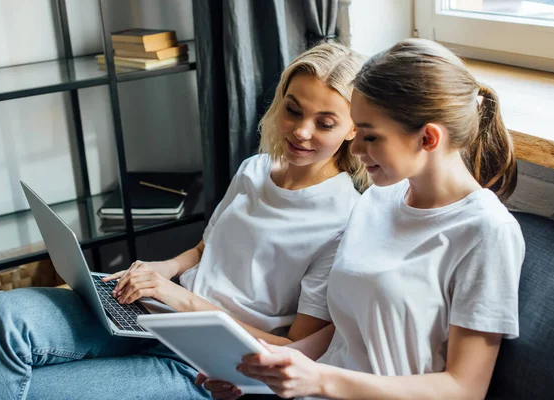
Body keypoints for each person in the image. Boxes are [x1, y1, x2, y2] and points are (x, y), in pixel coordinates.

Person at [0, 42, 369, 399]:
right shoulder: (256, 168)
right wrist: (161, 269)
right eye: (293, 110)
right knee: (4, 313)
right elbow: (202, 249)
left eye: (325, 123)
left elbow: (293, 346)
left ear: (354, 127)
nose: (301, 131)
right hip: (155, 316)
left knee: (28, 389)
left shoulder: (343, 221)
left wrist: (182, 299)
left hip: (209, 364)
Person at [202, 38, 525, 400]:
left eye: (370, 136)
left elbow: (465, 388)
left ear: (429, 138)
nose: (353, 148)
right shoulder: (377, 198)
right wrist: (263, 367)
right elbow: (350, 331)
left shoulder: (486, 231)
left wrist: (321, 380)